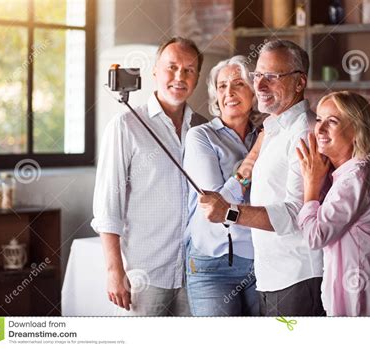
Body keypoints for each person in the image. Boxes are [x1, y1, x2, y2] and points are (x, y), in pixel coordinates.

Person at [198, 40, 324, 316]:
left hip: (298, 276)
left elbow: (295, 214)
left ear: (299, 82)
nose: (261, 85)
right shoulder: (272, 129)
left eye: (272, 77)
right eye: (257, 76)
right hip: (271, 276)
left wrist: (229, 212)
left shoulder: (305, 133)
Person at [91, 37, 206, 316]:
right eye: (172, 67)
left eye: (189, 70)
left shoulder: (203, 129)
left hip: (196, 274)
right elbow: (108, 207)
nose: (180, 76)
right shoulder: (126, 126)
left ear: (198, 78)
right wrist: (114, 271)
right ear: (154, 71)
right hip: (147, 275)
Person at [296, 91, 370, 316]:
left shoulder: (358, 175)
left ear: (357, 131)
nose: (320, 129)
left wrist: (311, 185)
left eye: (332, 122)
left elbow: (315, 236)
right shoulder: (346, 175)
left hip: (363, 301)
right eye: (319, 120)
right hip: (352, 297)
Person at [184, 55, 264, 316]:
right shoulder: (202, 136)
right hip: (212, 266)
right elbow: (216, 206)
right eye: (221, 86)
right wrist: (255, 154)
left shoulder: (265, 133)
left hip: (260, 260)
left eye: (238, 84)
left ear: (253, 90)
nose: (229, 92)